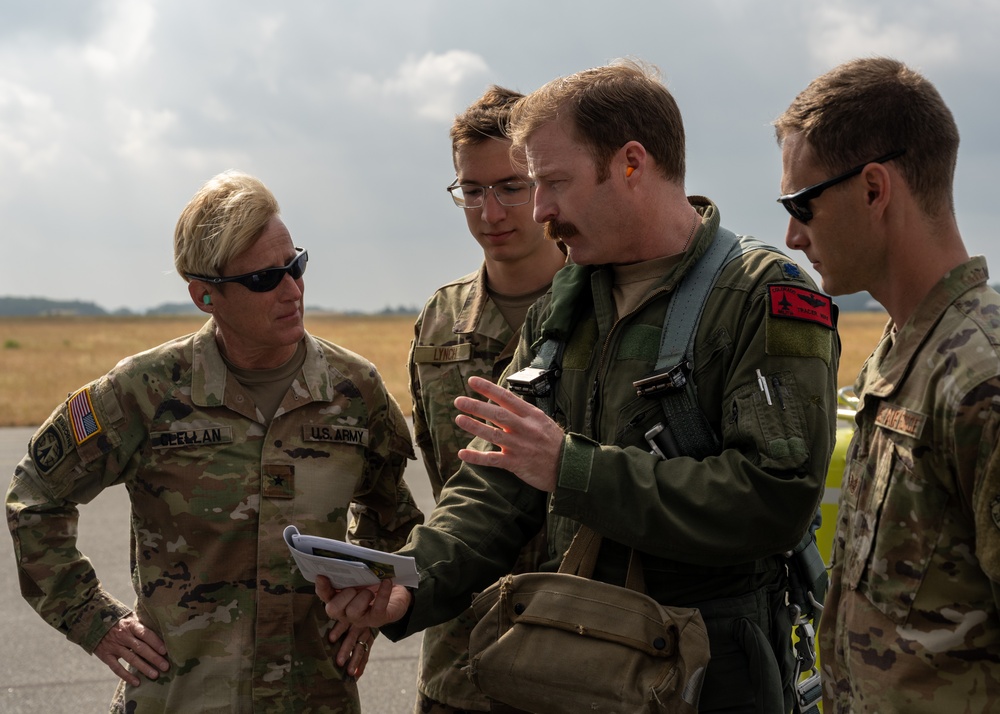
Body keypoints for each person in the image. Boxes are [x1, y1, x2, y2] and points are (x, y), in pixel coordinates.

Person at [322, 59, 839, 713]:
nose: (540, 211)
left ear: (630, 163)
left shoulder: (762, 295)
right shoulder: (565, 303)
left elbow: (774, 498)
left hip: (712, 671)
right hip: (582, 663)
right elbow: (496, 481)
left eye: (552, 183)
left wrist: (572, 468)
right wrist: (409, 582)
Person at [5, 170, 422, 713]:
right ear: (205, 295)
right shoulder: (145, 391)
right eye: (264, 280)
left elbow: (393, 516)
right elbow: (35, 497)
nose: (292, 291)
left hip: (315, 698)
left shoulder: (355, 388)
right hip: (180, 698)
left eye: (295, 266)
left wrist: (366, 608)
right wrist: (94, 620)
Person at [774, 57, 1000, 712]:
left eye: (802, 204)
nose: (792, 235)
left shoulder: (980, 379)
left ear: (874, 189)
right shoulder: (905, 352)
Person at [407, 86, 566, 713]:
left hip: (579, 648)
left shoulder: (608, 310)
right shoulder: (440, 320)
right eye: (471, 191)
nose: (490, 211)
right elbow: (442, 475)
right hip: (460, 654)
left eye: (511, 186)